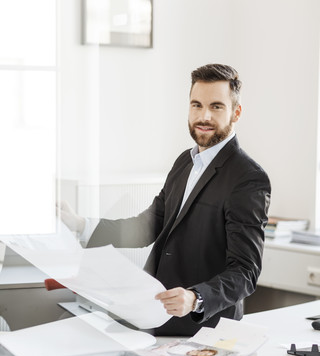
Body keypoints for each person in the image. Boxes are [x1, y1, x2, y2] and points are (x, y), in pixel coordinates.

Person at [60, 63, 271, 336]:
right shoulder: (185, 161)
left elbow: (245, 271)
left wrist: (197, 298)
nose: (203, 116)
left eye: (216, 106)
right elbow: (148, 224)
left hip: (206, 330)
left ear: (236, 112)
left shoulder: (248, 178)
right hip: (155, 320)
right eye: (196, 105)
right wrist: (80, 225)